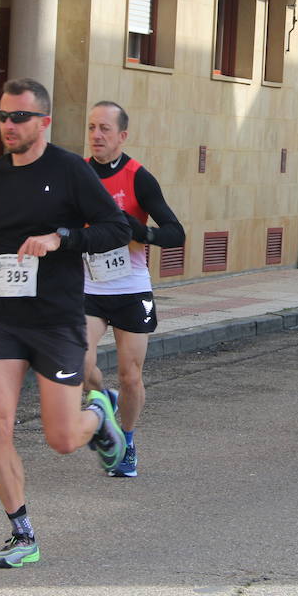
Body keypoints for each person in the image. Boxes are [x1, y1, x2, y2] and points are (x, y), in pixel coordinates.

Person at [0, 78, 133, 568]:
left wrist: (60, 238)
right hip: (3, 317)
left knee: (63, 440)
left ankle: (100, 413)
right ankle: (22, 534)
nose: (8, 125)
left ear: (44, 121)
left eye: (19, 117)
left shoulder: (69, 171)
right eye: (3, 116)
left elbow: (116, 229)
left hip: (56, 320)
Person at [78, 101, 185, 478]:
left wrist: (140, 231)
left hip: (130, 288)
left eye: (105, 128)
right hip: (89, 286)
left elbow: (176, 232)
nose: (97, 135)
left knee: (130, 375)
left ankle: (128, 440)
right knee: (79, 361)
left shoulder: (139, 177)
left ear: (122, 135)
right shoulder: (77, 175)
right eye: (92, 127)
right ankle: (103, 403)